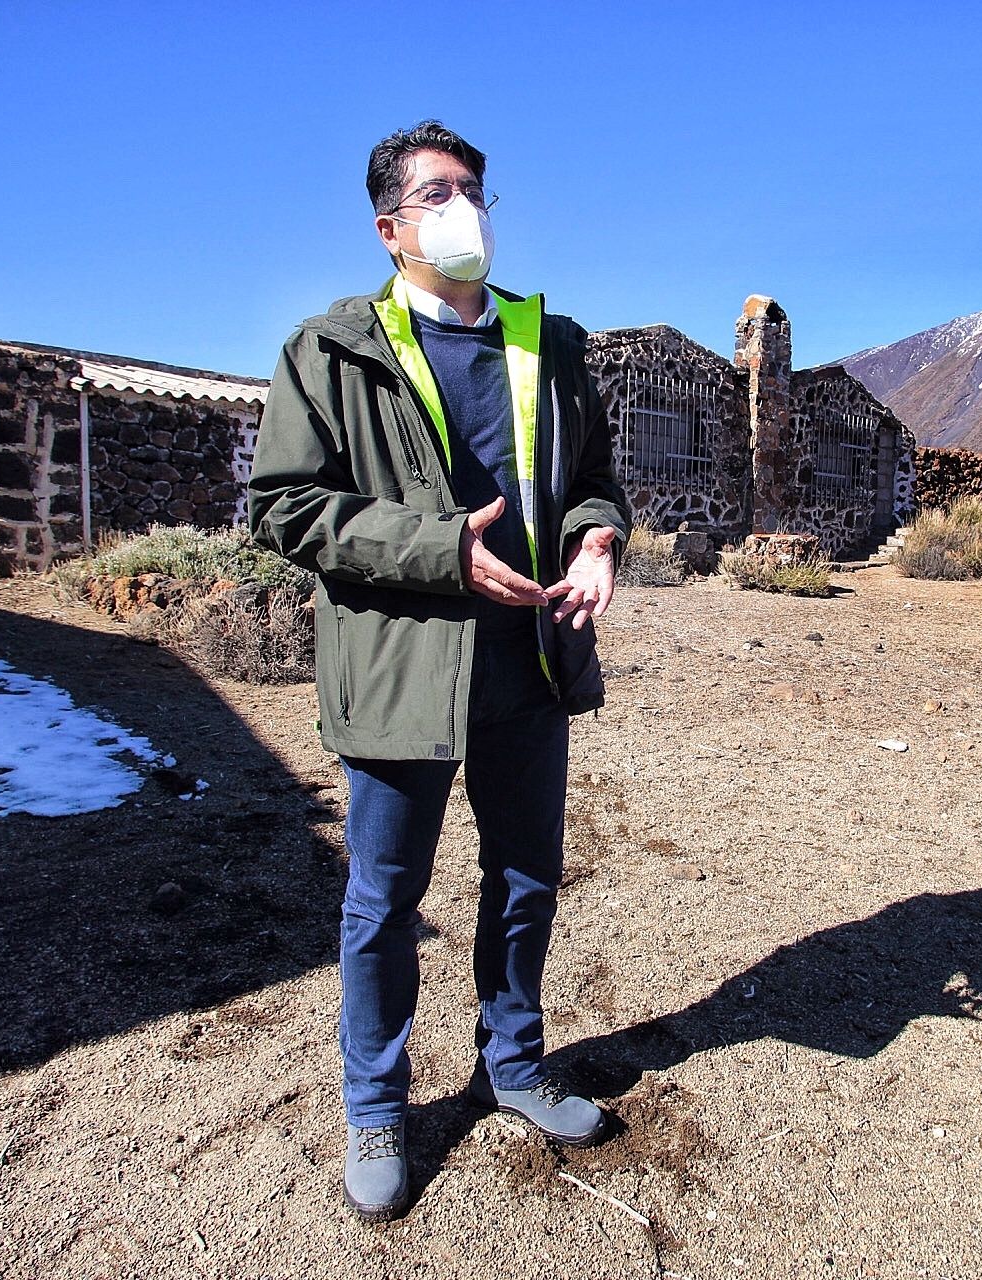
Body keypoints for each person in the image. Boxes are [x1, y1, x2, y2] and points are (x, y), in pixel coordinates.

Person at [247, 120, 631, 1221]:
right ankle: (377, 1103)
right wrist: (438, 551)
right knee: (384, 898)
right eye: (439, 192)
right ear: (390, 226)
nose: (465, 209)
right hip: (402, 666)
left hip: (531, 660)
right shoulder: (330, 352)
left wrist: (598, 539)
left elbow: (594, 478)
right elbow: (284, 505)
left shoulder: (545, 342)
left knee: (526, 876)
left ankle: (513, 1063)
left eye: (476, 190)